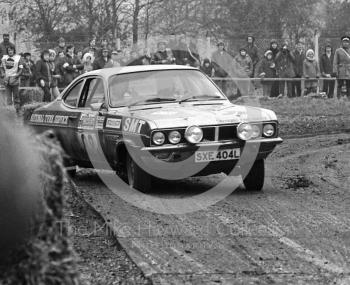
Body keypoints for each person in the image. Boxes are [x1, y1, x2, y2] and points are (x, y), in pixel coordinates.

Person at [0, 46, 23, 113]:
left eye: (11, 50)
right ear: (7, 51)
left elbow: (21, 69)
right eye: (9, 50)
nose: (10, 51)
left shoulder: (18, 58)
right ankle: (9, 110)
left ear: (14, 51)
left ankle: (17, 109)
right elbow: (1, 67)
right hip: (7, 79)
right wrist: (2, 73)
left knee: (16, 95)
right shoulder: (4, 58)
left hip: (15, 79)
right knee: (8, 96)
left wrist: (17, 75)